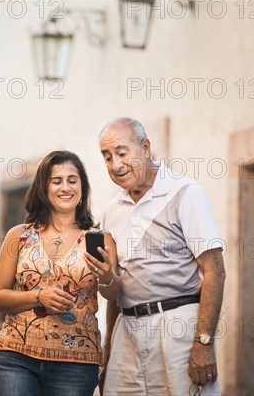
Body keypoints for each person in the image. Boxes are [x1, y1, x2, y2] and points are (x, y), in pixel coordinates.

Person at [88, 118, 226, 395]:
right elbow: (115, 286)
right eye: (107, 157)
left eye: (122, 152)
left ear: (146, 147)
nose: (116, 164)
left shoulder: (185, 193)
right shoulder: (111, 210)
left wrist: (204, 342)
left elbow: (215, 271)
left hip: (178, 325)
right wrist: (109, 346)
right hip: (127, 329)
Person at [0, 150, 119, 396]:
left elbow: (114, 295)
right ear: (43, 188)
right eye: (56, 181)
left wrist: (107, 276)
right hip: (16, 356)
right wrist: (38, 296)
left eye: (72, 180)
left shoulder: (100, 239)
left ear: (82, 187)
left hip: (76, 363)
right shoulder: (19, 236)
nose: (65, 187)